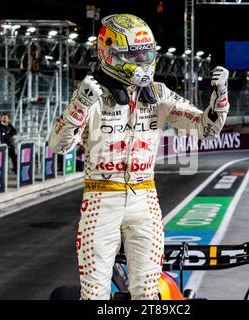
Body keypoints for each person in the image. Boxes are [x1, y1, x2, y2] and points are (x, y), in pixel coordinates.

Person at [49, 14, 230, 300]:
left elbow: (206, 129)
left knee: (148, 293)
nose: (142, 60)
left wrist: (220, 95)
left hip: (145, 198)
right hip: (100, 198)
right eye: (133, 54)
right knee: (94, 293)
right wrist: (79, 106)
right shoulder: (89, 95)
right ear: (108, 53)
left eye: (146, 53)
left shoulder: (159, 94)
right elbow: (59, 146)